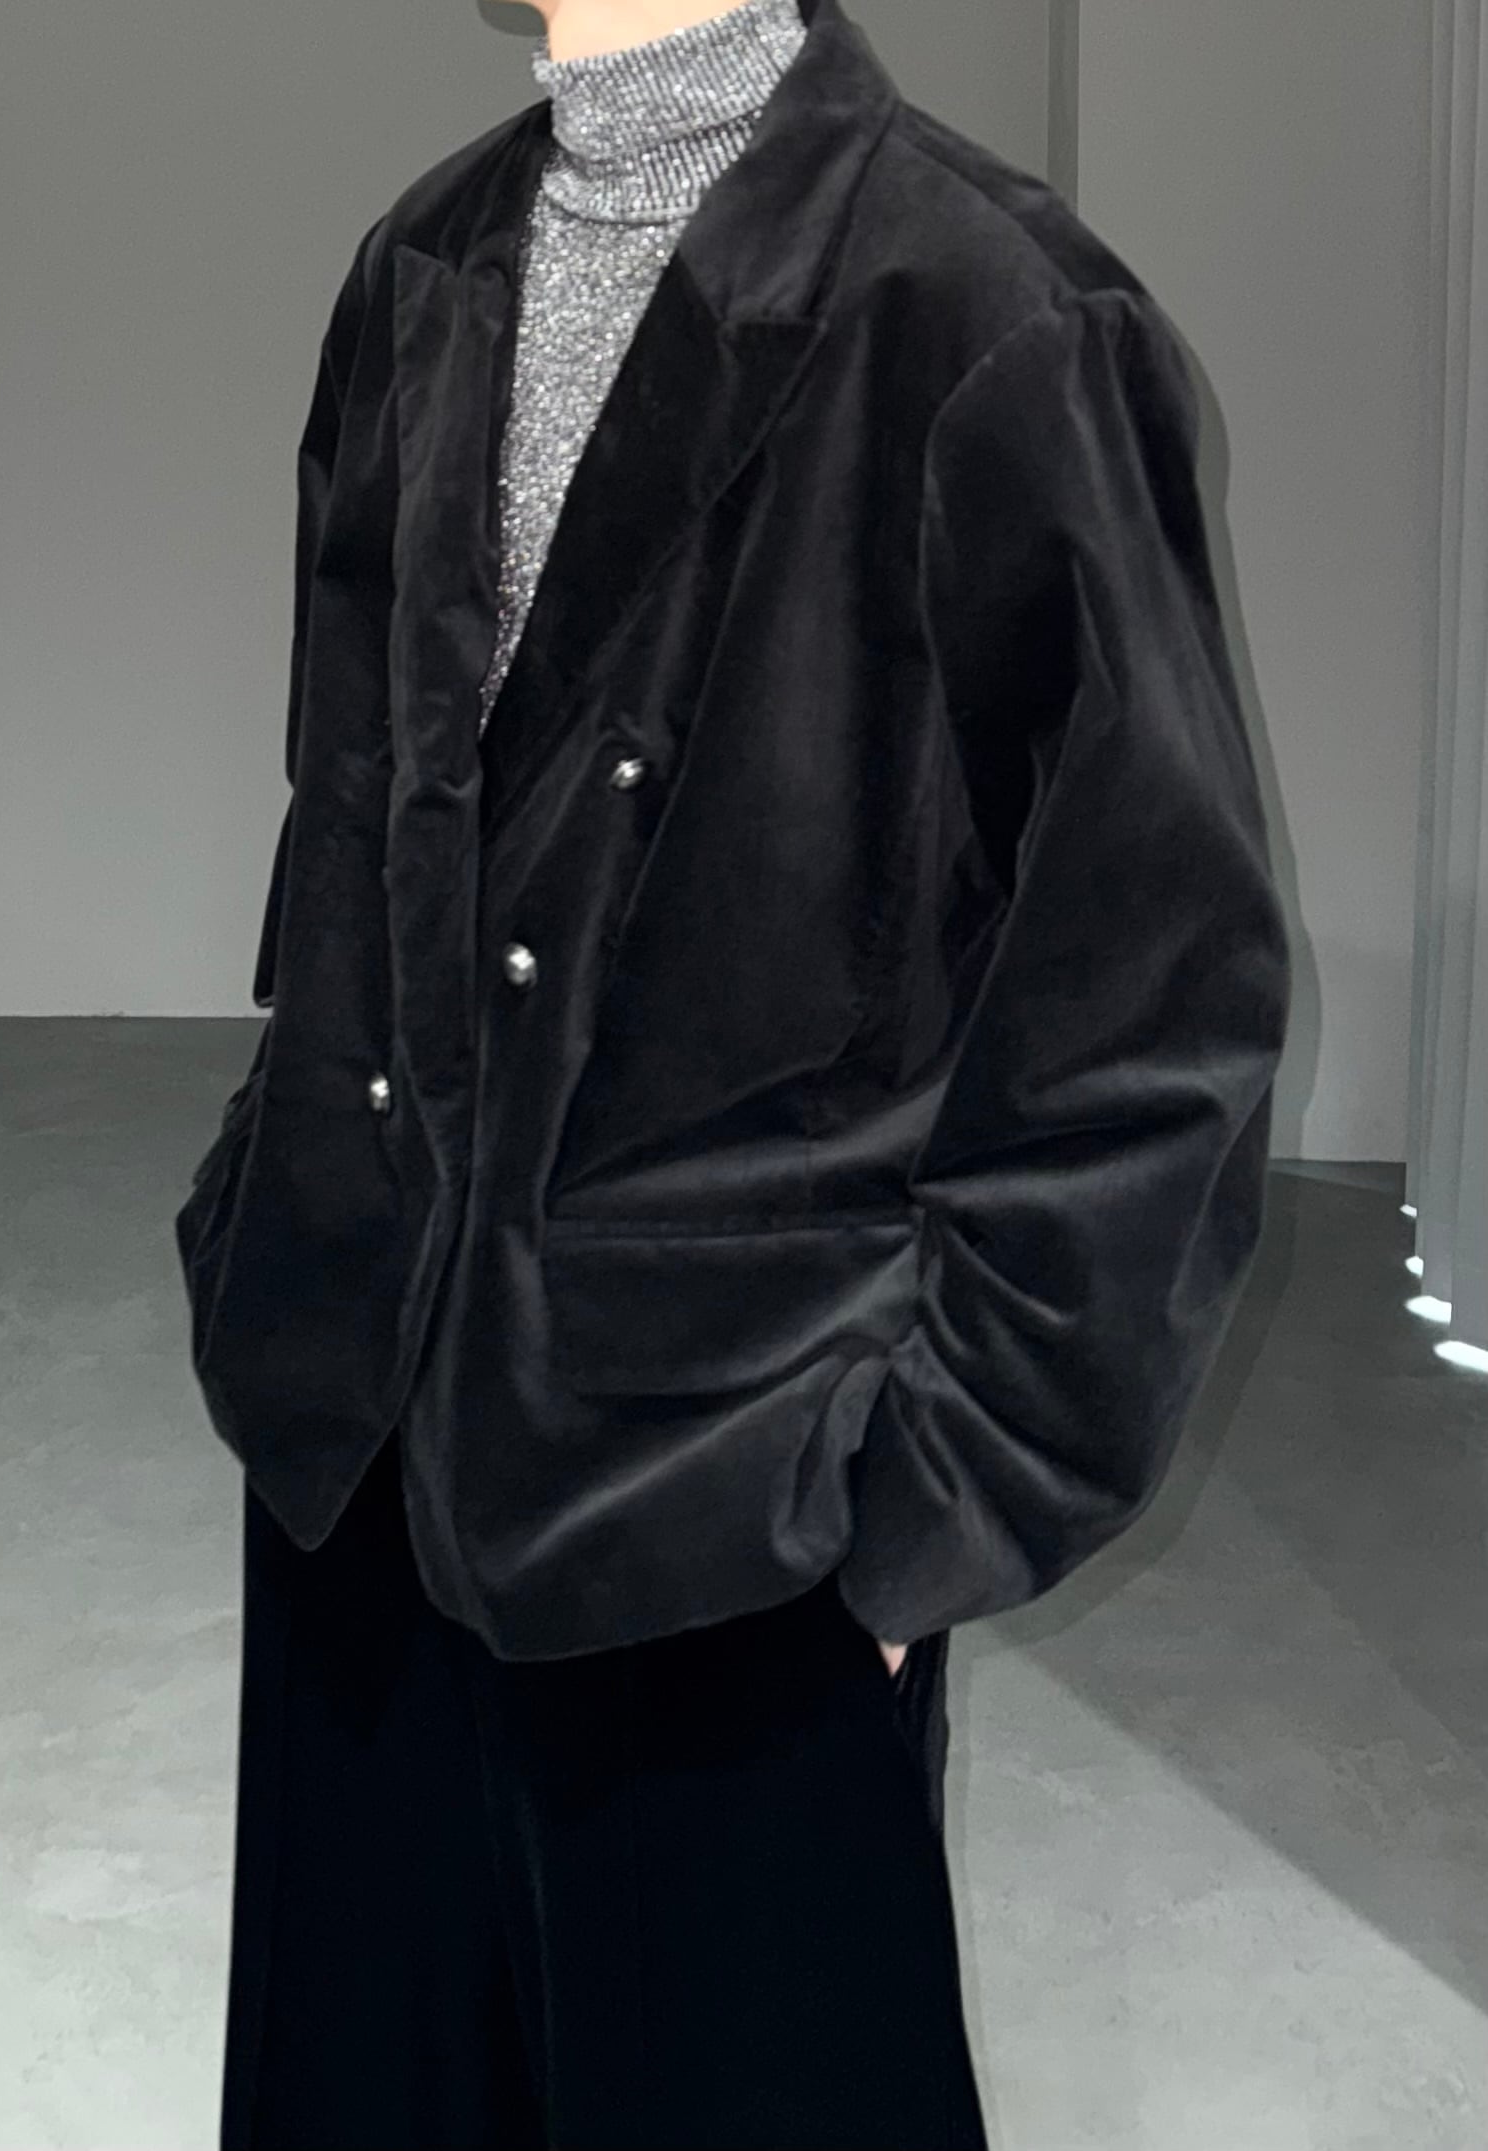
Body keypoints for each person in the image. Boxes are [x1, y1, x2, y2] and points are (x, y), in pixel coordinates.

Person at [172, 2, 1292, 2145]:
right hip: (355, 1431)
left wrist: (934, 1508)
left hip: (735, 1492)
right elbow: (354, 805)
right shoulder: (423, 267)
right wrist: (271, 1197)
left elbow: (1155, 994)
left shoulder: (989, 313)